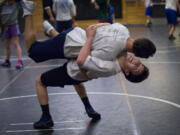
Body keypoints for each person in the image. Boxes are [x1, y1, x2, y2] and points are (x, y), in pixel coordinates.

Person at [21, 0, 150, 129]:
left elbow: (82, 61)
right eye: (140, 64)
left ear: (127, 72)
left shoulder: (110, 64)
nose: (137, 62)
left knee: (40, 76)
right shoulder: (121, 52)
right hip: (74, 49)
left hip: (73, 64)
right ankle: (88, 108)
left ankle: (46, 117)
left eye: (137, 68)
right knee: (77, 77)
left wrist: (89, 36)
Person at [0, 0, 23, 69]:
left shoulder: (16, 3)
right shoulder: (2, 4)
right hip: (6, 26)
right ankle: (7, 60)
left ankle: (20, 61)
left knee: (16, 44)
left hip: (13, 25)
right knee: (7, 45)